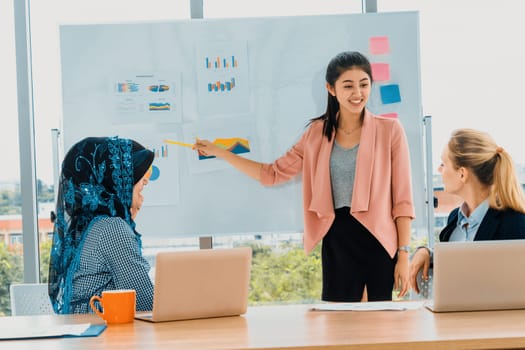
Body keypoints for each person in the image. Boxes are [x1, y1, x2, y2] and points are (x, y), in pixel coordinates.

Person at [194, 51, 415, 302]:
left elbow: (403, 199)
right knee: (339, 329)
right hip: (337, 238)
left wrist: (404, 253)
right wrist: (220, 153)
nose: (358, 93)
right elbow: (272, 174)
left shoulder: (390, 130)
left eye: (364, 85)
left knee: (380, 328)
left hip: (379, 240)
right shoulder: (316, 134)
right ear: (331, 89)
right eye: (348, 86)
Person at [409, 128, 525, 294]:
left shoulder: (515, 223)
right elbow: (463, 265)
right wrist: (428, 253)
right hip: (455, 318)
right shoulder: (454, 219)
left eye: (443, 164)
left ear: (462, 174)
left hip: (497, 320)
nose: (439, 170)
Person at [48, 136, 155, 314]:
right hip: (103, 337)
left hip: (86, 337)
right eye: (141, 185)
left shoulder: (84, 227)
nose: (142, 197)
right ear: (118, 184)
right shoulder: (112, 228)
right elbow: (145, 302)